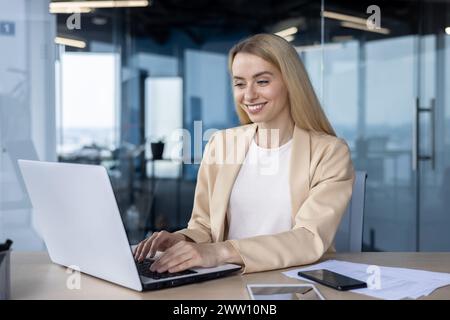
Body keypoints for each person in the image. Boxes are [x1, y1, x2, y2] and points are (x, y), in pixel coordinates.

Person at [133, 33, 355, 274]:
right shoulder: (221, 143)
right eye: (239, 83)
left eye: (262, 82)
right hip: (227, 279)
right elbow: (205, 224)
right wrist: (184, 240)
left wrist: (221, 252)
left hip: (296, 281)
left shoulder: (330, 152)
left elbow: (309, 238)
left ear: (291, 83)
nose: (248, 96)